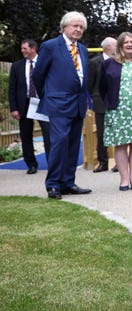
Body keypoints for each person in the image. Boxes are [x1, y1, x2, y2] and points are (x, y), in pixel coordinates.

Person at [32, 11, 92, 199]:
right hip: (58, 104)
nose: (78, 29)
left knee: (74, 144)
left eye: (81, 27)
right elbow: (38, 75)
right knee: (59, 143)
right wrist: (49, 96)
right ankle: (53, 185)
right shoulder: (50, 46)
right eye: (75, 25)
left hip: (78, 104)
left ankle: (68, 182)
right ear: (64, 27)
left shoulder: (82, 49)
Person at [99, 32, 132, 191]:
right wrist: (110, 102)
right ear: (120, 45)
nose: (129, 44)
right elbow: (102, 87)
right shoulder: (109, 64)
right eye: (126, 42)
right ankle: (124, 179)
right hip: (118, 110)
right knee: (121, 145)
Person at [8, 40, 51, 174]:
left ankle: (52, 163)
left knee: (48, 133)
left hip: (43, 102)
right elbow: (12, 89)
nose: (22, 51)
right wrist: (13, 108)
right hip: (25, 104)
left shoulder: (45, 63)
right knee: (26, 134)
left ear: (33, 49)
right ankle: (31, 164)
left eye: (25, 48)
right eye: (22, 48)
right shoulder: (17, 66)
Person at [88, 36, 117, 173]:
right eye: (115, 45)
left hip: (117, 102)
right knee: (102, 134)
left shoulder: (119, 61)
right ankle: (103, 162)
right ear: (107, 47)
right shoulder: (94, 63)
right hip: (100, 102)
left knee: (119, 133)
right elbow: (90, 83)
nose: (118, 47)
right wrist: (95, 97)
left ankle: (119, 163)